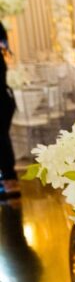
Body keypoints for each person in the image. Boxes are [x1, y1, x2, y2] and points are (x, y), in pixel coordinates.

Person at [0, 22, 19, 200]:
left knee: (1, 137)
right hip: (5, 98)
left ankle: (9, 179)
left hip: (3, 99)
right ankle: (8, 178)